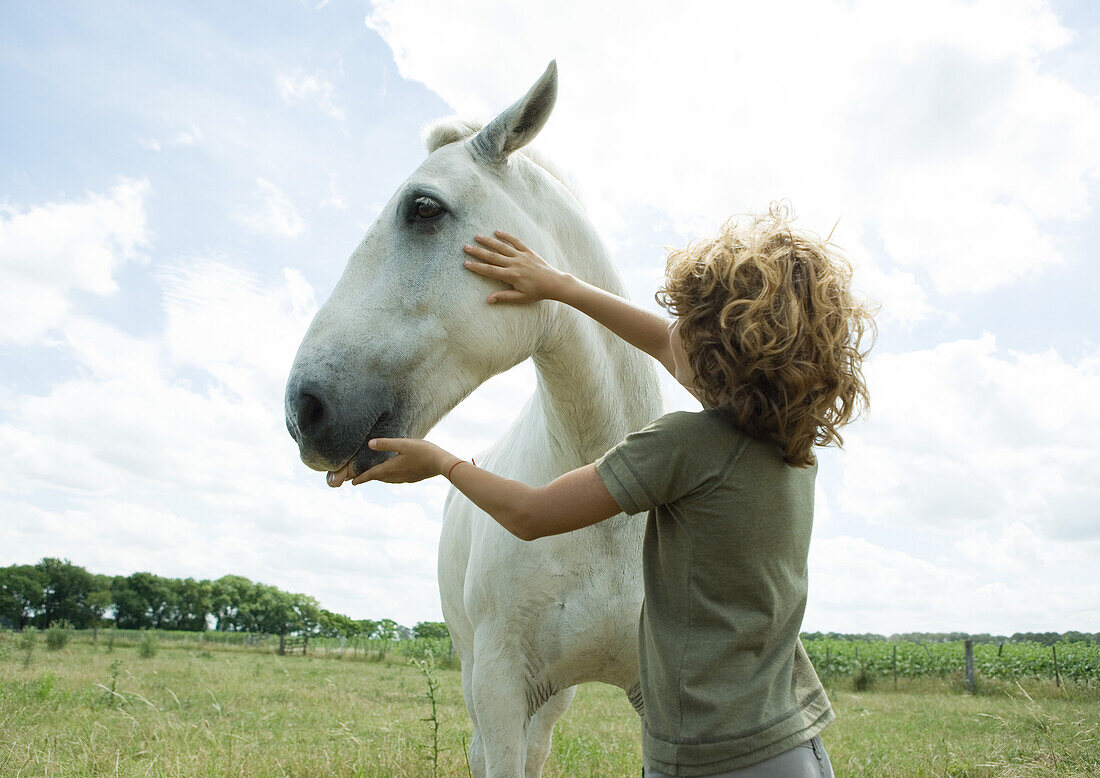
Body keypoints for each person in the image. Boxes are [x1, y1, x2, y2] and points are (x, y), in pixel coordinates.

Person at [338, 204, 874, 777]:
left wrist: (443, 463)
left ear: (718, 353)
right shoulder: (792, 452)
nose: (672, 336)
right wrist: (564, 288)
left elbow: (530, 513)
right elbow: (668, 348)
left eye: (688, 324)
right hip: (796, 748)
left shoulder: (685, 446)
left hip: (707, 760)